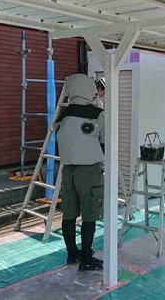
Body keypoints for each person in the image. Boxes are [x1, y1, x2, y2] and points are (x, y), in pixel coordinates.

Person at [54, 74, 105, 271]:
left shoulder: (62, 116)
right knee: (89, 213)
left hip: (68, 169)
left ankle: (72, 253)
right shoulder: (97, 113)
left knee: (69, 212)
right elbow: (104, 138)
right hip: (89, 169)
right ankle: (87, 259)